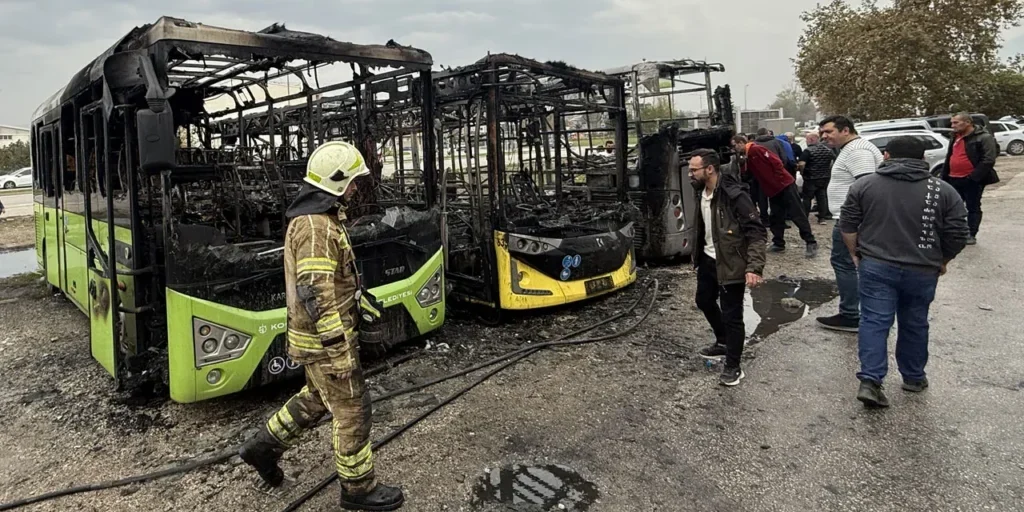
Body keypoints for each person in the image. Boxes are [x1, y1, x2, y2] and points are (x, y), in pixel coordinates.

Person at [239, 141, 405, 511]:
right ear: (336, 183)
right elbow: (316, 293)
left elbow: (329, 284)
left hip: (318, 338)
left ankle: (261, 448)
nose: (357, 187)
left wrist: (359, 301)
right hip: (327, 340)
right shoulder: (315, 227)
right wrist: (338, 345)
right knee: (352, 408)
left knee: (316, 398)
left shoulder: (320, 219)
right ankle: (358, 489)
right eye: (353, 181)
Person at [838, 136, 968, 407]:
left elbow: (848, 224)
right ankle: (913, 377)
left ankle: (871, 381)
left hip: (876, 265)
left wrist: (854, 253)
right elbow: (957, 233)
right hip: (922, 268)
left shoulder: (864, 185)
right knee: (915, 322)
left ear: (886, 156)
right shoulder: (943, 191)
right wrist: (944, 259)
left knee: (874, 321)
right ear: (923, 159)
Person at [689, 148, 767, 386]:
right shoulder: (700, 192)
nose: (690, 174)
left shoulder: (734, 195)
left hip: (732, 263)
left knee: (733, 315)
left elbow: (757, 232)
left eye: (694, 170)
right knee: (703, 300)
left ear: (709, 169)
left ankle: (733, 366)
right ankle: (723, 342)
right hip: (708, 259)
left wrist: (754, 267)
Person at [815, 115, 882, 333]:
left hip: (852, 219)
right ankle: (863, 312)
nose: (824, 136)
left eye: (829, 132)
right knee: (856, 264)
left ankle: (851, 314)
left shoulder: (856, 151)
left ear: (845, 130)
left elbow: (867, 187)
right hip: (852, 217)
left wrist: (853, 221)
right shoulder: (853, 149)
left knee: (845, 263)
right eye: (822, 132)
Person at [732, 135, 818, 258]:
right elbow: (748, 174)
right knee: (776, 215)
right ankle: (778, 242)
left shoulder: (756, 149)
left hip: (783, 185)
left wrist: (777, 178)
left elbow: (776, 162)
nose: (733, 149)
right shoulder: (747, 156)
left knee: (796, 213)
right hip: (773, 188)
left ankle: (811, 241)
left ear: (741, 143)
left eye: (734, 145)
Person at [940, 112, 999, 245]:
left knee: (973, 207)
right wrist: (944, 176)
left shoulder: (983, 137)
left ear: (967, 122)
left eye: (956, 122)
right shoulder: (955, 136)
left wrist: (973, 178)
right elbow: (950, 156)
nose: (952, 125)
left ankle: (971, 234)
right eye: (952, 122)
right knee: (952, 207)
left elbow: (988, 160)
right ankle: (955, 232)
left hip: (972, 179)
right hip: (953, 178)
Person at [798, 132, 836, 224]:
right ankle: (822, 218)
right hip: (824, 177)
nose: (806, 141)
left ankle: (804, 218)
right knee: (821, 197)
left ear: (811, 139)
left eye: (806, 139)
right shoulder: (828, 150)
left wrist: (802, 172)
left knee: (807, 198)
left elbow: (802, 164)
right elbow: (833, 161)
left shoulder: (808, 151)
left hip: (811, 178)